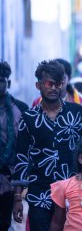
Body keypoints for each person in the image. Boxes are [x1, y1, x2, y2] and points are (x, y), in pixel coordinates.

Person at [12, 60, 82, 231]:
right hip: (40, 192)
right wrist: (17, 198)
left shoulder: (77, 112)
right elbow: (22, 157)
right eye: (49, 83)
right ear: (38, 85)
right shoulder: (29, 117)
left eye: (58, 83)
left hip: (72, 189)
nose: (54, 88)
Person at [0, 62, 28, 231]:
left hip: (8, 177)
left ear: (8, 83)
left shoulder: (21, 109)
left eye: (0, 81)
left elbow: (24, 149)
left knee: (3, 222)